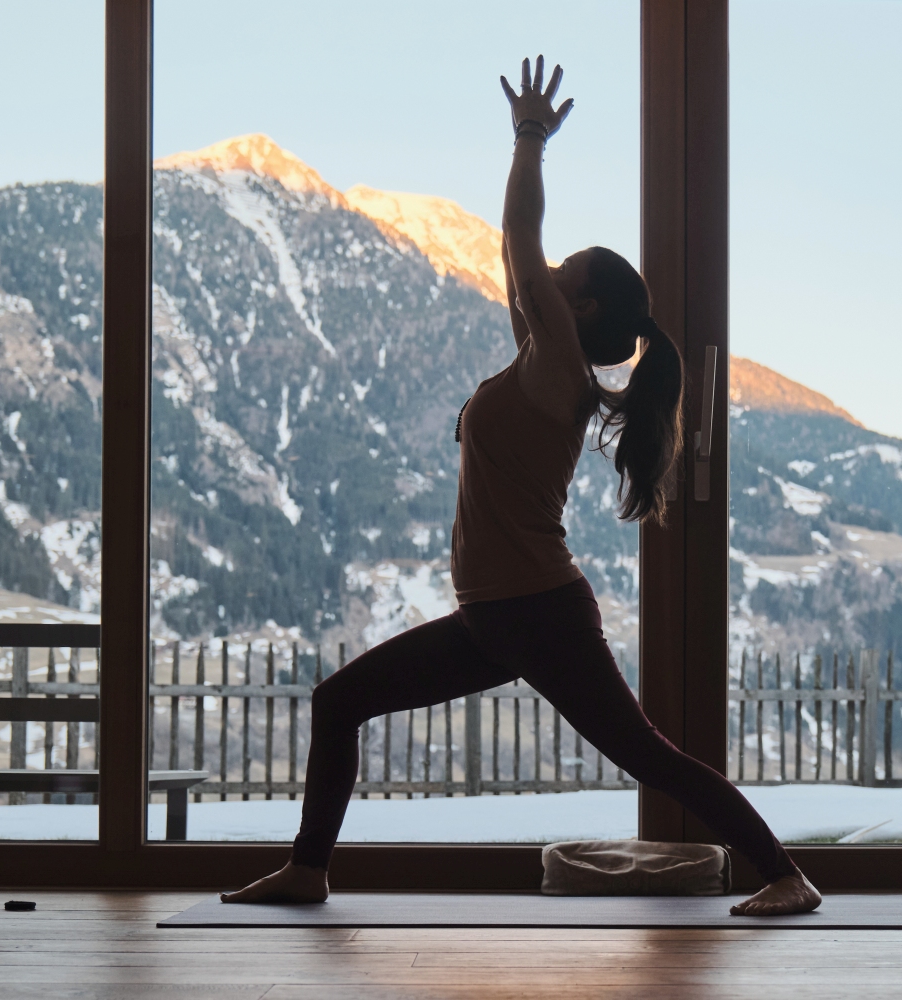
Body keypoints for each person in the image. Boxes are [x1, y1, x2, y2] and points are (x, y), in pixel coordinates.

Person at [220, 56, 821, 918]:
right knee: (339, 702)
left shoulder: (559, 368)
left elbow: (514, 238)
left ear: (574, 308)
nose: (543, 275)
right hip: (492, 616)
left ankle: (784, 874)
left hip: (535, 612)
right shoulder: (543, 360)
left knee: (650, 755)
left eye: (560, 272)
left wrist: (529, 141)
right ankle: (309, 870)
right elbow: (518, 265)